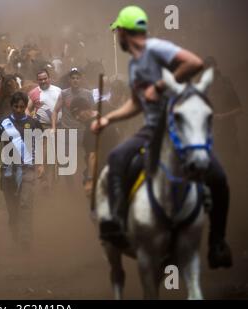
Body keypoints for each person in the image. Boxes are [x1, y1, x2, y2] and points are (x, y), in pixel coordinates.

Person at [92, 6, 232, 268]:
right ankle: (118, 227)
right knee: (118, 158)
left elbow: (195, 63)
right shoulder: (135, 65)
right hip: (152, 128)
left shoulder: (158, 48)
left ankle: (217, 243)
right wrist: (108, 119)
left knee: (218, 177)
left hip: (181, 127)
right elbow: (137, 103)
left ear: (125, 32)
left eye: (117, 32)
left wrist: (159, 86)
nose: (116, 38)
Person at [0, 91, 42, 250]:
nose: (18, 109)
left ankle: (26, 238)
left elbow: (40, 143)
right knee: (12, 207)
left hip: (27, 168)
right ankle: (14, 230)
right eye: (16, 106)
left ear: (26, 107)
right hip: (8, 170)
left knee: (25, 203)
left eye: (22, 107)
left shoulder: (33, 123)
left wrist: (41, 163)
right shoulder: (4, 123)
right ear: (11, 106)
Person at [27, 69, 61, 190]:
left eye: (45, 78)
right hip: (42, 127)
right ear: (37, 80)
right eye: (40, 79)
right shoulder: (34, 93)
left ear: (49, 78)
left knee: (61, 154)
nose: (43, 81)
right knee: (45, 155)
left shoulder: (58, 91)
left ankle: (57, 182)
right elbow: (27, 109)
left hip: (59, 126)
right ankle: (44, 182)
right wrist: (29, 122)